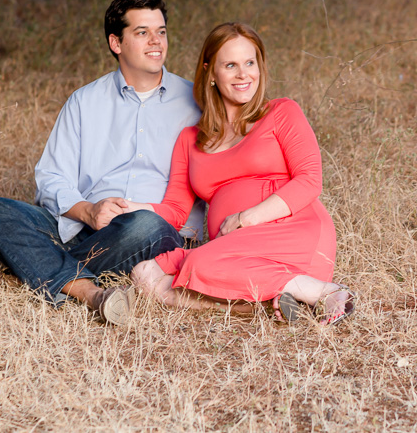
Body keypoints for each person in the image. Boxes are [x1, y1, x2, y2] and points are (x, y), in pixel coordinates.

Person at [0, 0, 205, 325]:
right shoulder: (85, 101)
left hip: (152, 230)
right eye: (142, 32)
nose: (157, 41)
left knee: (145, 224)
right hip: (86, 228)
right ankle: (86, 290)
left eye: (161, 31)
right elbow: (51, 177)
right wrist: (89, 212)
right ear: (116, 42)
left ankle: (34, 269)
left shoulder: (196, 103)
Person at [128, 23, 355, 325]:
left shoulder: (282, 112)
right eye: (230, 65)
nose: (243, 74)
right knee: (144, 275)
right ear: (210, 72)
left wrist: (247, 218)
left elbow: (310, 180)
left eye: (250, 63)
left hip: (291, 230)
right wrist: (129, 208)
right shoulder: (190, 139)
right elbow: (176, 210)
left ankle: (324, 291)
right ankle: (269, 302)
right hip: (230, 251)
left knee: (201, 264)